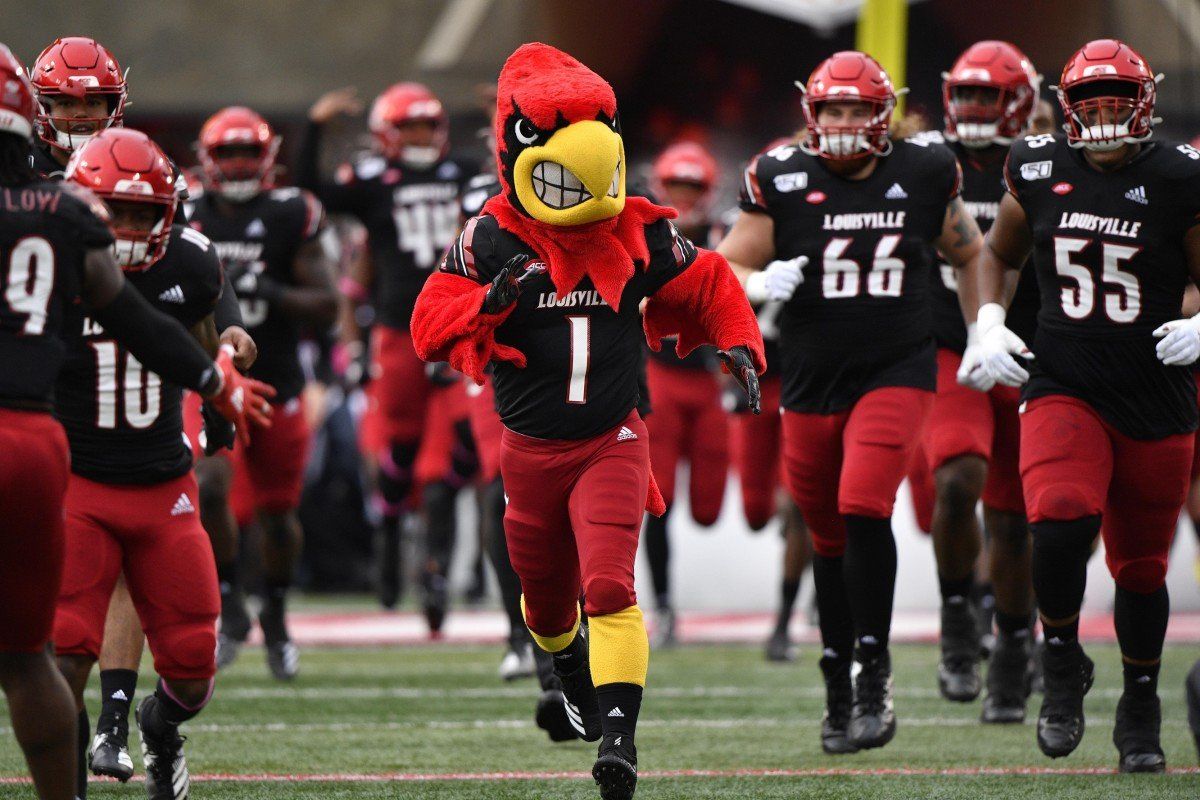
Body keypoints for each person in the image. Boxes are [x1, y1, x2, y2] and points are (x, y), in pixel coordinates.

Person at [411, 43, 764, 800]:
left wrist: (738, 341)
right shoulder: (487, 237)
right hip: (530, 448)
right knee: (544, 604)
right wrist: (488, 304)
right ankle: (568, 672)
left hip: (613, 437)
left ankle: (620, 740)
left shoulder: (634, 227)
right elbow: (427, 323)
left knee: (608, 585)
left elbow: (706, 280)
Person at [719, 51, 984, 753]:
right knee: (827, 538)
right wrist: (754, 282)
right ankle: (838, 678)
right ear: (811, 113)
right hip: (808, 379)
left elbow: (971, 252)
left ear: (883, 114)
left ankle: (875, 671)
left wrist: (984, 324)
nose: (841, 123)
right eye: (830, 109)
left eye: (855, 110)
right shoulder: (780, 174)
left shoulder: (925, 171)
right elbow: (729, 261)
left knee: (864, 503)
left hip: (896, 367)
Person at [973, 38, 1199, 773]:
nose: (1103, 120)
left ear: (1146, 106)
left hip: (1155, 393)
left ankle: (1140, 704)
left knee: (1140, 568)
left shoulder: (1178, 176)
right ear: (1066, 109)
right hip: (1064, 380)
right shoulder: (1036, 166)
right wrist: (987, 319)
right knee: (1060, 517)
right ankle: (1062, 661)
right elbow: (997, 254)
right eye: (1089, 106)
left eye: (1117, 104)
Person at [296, 83, 477, 622]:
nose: (421, 137)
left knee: (462, 446)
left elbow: (515, 182)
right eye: (409, 128)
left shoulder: (465, 173)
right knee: (400, 446)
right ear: (386, 136)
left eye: (427, 126)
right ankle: (394, 526)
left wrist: (504, 119)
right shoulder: (373, 182)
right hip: (399, 331)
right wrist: (314, 127)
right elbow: (311, 192)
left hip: (462, 327)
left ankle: (436, 569)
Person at [187, 106, 337, 678]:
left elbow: (328, 306)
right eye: (228, 153)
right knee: (210, 485)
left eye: (249, 152)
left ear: (269, 157)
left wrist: (267, 290)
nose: (240, 163)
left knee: (278, 515)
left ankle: (274, 613)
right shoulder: (187, 212)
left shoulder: (290, 213)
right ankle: (230, 605)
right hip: (209, 380)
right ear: (208, 159)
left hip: (277, 383)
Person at [916, 40, 1042, 717]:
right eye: (963, 93)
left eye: (985, 95)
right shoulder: (930, 163)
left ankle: (1017, 648)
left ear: (1019, 100)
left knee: (1017, 519)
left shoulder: (1045, 165)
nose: (969, 108)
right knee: (956, 477)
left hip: (1026, 350)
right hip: (948, 346)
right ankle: (958, 616)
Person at [641, 141, 731, 648]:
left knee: (708, 507)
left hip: (708, 381)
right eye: (676, 185)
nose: (683, 196)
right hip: (662, 378)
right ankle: (665, 605)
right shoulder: (641, 236)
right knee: (660, 501)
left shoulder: (725, 235)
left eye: (692, 187)